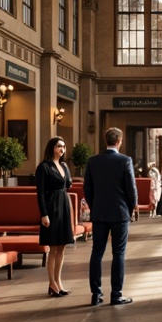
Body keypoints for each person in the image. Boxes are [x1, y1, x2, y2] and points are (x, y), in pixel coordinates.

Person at [85, 127, 136, 306]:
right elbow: (131, 189)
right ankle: (116, 294)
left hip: (99, 212)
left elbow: (88, 189)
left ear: (104, 140)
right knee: (119, 253)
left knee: (96, 253)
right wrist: (131, 209)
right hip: (120, 213)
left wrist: (94, 206)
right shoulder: (125, 160)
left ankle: (96, 295)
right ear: (119, 141)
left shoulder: (93, 161)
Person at [35, 137, 75, 297]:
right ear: (52, 147)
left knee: (62, 247)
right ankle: (51, 283)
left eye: (64, 146)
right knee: (53, 247)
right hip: (51, 207)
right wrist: (44, 214)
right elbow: (40, 193)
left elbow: (68, 185)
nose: (62, 149)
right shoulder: (43, 167)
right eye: (59, 146)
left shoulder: (64, 165)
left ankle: (58, 282)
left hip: (63, 205)